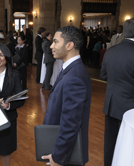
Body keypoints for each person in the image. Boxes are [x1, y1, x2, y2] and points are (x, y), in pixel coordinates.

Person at [41, 26, 91, 166]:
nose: (51, 45)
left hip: (66, 154)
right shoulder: (69, 69)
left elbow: (70, 124)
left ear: (69, 45)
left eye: (56, 41)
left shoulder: (74, 77)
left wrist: (58, 157)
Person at [100, 17, 134, 166]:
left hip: (111, 104)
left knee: (110, 141)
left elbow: (103, 75)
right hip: (131, 107)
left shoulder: (110, 51)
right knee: (128, 144)